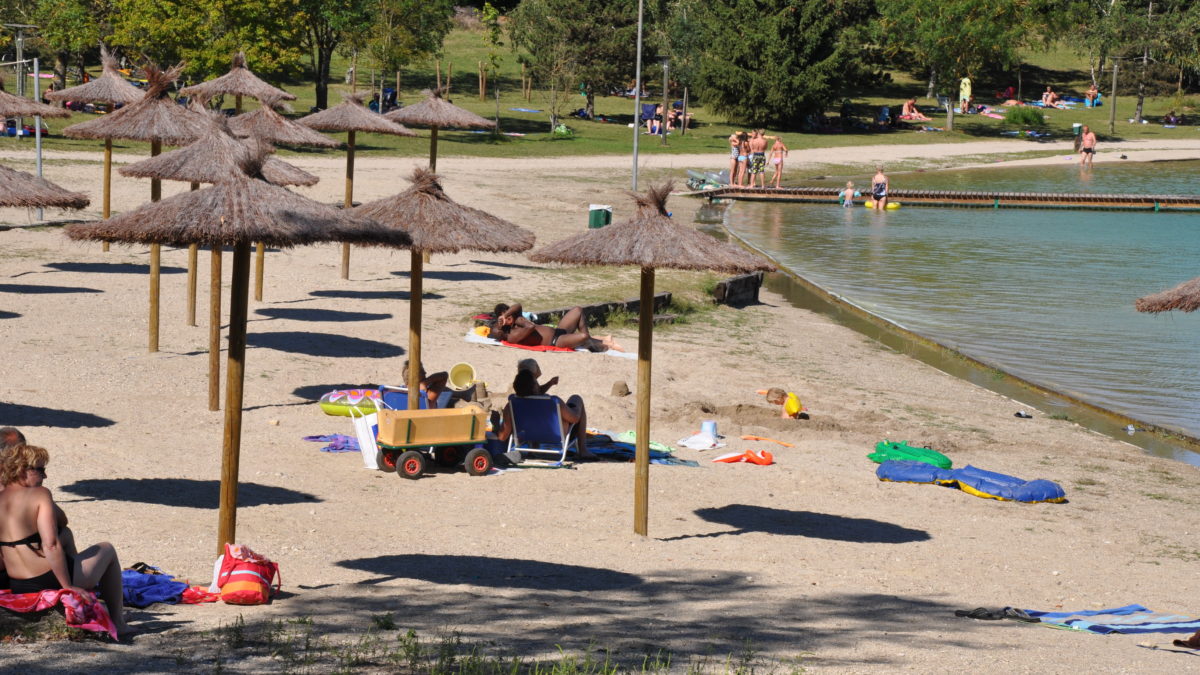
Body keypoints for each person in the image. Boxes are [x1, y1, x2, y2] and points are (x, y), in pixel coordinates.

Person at [0, 444, 132, 637]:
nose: (45, 476)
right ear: (23, 469)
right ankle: (119, 622)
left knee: (66, 535)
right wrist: (67, 587)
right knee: (107, 549)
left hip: (19, 583)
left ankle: (97, 601)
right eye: (41, 469)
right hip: (46, 577)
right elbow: (50, 544)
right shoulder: (40, 494)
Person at [498, 369, 596, 460]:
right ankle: (583, 450)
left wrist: (495, 424)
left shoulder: (511, 405)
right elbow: (575, 419)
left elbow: (502, 437)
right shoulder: (553, 402)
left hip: (527, 436)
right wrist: (576, 409)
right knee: (576, 398)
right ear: (535, 387)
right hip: (556, 436)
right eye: (536, 382)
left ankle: (532, 449)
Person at [490, 303, 623, 352]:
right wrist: (510, 320)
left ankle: (590, 343)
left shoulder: (516, 318)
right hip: (557, 341)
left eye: (509, 314)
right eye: (504, 317)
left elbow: (518, 305)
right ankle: (599, 343)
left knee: (577, 310)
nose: (508, 318)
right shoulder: (512, 335)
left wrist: (508, 314)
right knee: (583, 336)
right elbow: (530, 326)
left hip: (559, 331)